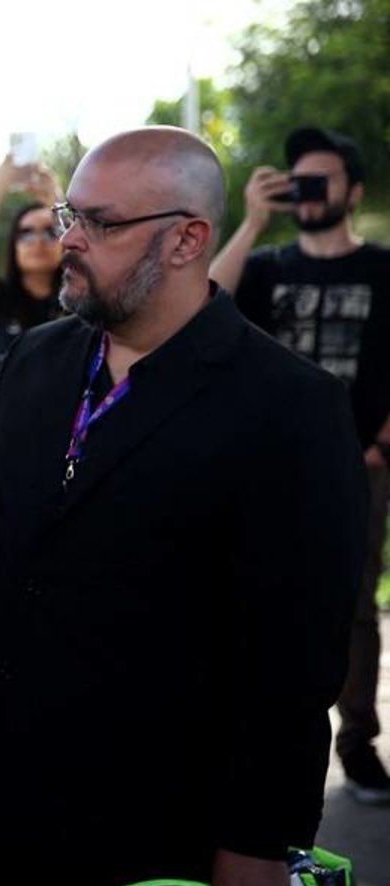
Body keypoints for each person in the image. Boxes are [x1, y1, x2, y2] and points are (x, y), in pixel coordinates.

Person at [0, 127, 366, 886]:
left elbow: (294, 650)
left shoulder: (289, 406)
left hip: (161, 821)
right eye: (68, 214)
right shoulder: (37, 362)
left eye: (99, 223)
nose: (68, 238)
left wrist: (257, 839)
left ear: (187, 239)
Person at [210, 126, 390, 804]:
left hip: (359, 464)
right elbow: (202, 301)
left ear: (354, 192)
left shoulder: (383, 270)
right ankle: (246, 743)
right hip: (267, 465)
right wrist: (252, 220)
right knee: (247, 596)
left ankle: (357, 744)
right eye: (299, 180)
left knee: (353, 606)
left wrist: (380, 447)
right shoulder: (266, 267)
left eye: (321, 180)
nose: (308, 191)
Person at [0, 154, 65, 386]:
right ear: (13, 245)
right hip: (6, 411)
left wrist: (56, 199)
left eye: (50, 232)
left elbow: (89, 251)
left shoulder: (81, 301)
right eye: (26, 233)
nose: (38, 241)